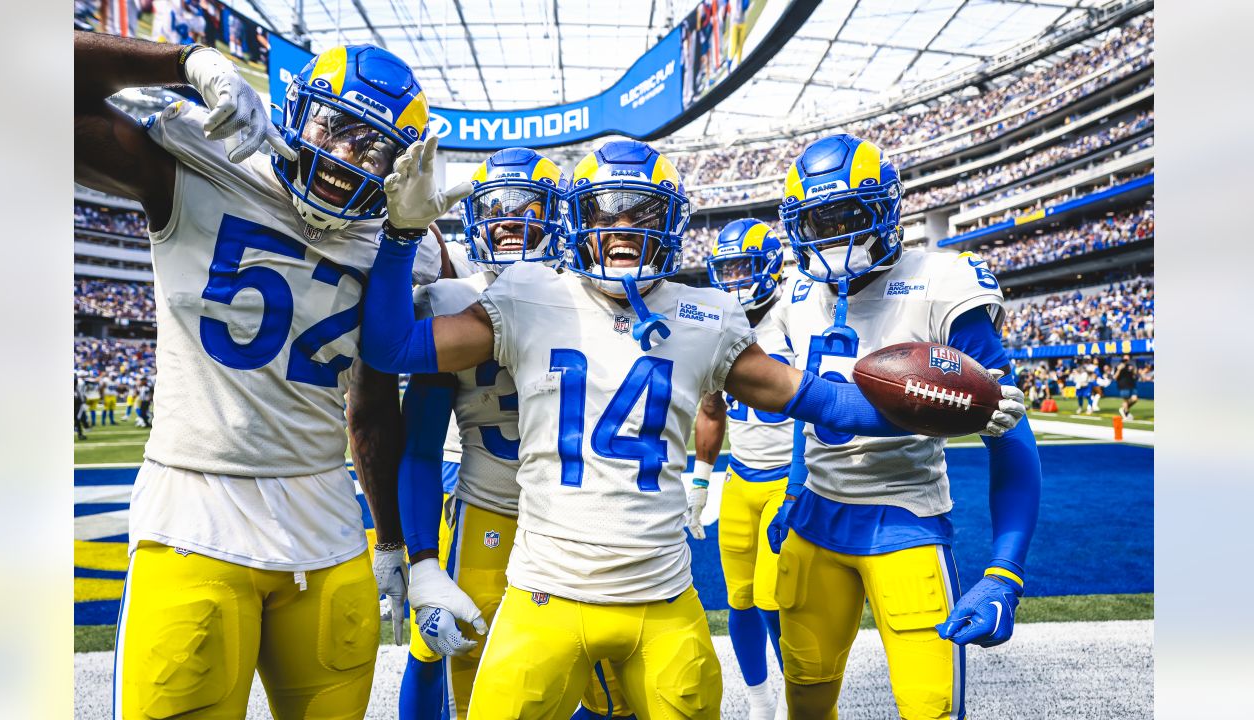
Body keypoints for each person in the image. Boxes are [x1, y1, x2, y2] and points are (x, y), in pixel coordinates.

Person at [359, 139, 1026, 720]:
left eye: (642, 212)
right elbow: (390, 348)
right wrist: (397, 236)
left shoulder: (703, 316)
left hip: (662, 595)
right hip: (544, 587)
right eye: (604, 212)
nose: (622, 229)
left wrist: (957, 407)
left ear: (673, 222)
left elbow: (824, 402)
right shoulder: (530, 292)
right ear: (576, 223)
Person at [75, 32, 469, 718]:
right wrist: (188, 62)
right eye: (334, 126)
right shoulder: (206, 160)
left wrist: (396, 545)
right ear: (295, 110)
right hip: (195, 518)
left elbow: (372, 406)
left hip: (328, 532)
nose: (348, 157)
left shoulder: (402, 242)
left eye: (372, 146)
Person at [763, 133, 1043, 719]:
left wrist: (1005, 573)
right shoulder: (794, 297)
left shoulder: (940, 281)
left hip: (905, 519)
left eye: (845, 215)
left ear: (885, 211)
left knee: (930, 706)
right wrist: (792, 491)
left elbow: (1009, 428)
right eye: (815, 221)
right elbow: (802, 415)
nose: (832, 234)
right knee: (805, 699)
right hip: (814, 518)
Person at [393, 148, 636, 720]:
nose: (509, 219)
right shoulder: (452, 299)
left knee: (605, 673)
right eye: (495, 206)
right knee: (452, 652)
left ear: (561, 213)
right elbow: (421, 448)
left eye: (527, 205)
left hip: (577, 514)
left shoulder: (596, 297)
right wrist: (423, 559)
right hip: (489, 508)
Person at [690, 218, 792, 719]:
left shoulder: (796, 313)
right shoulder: (722, 324)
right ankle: (760, 701)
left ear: (770, 265)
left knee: (776, 604)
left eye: (743, 268)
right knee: (741, 600)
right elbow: (711, 409)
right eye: (725, 269)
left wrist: (805, 486)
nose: (733, 281)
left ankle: (802, 697)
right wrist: (701, 482)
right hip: (742, 478)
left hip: (790, 478)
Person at [1115, 354, 1139, 420]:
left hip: (1132, 385)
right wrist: (1119, 369)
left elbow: (1134, 375)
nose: (1126, 360)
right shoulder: (1118, 366)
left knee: (1135, 399)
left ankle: (1123, 409)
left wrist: (1134, 371)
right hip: (1123, 385)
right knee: (1125, 400)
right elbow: (1115, 377)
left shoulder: (1131, 366)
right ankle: (1126, 414)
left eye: (1127, 358)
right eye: (1125, 359)